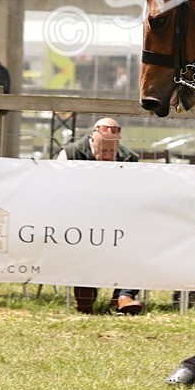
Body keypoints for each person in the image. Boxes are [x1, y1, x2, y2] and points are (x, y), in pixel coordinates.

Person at [57, 119, 143, 314]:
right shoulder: (70, 154)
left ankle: (124, 296)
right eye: (102, 150)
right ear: (91, 141)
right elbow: (56, 187)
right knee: (83, 243)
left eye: (111, 151)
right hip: (78, 217)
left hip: (118, 217)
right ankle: (86, 302)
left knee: (136, 240)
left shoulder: (129, 158)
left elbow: (137, 191)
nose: (107, 155)